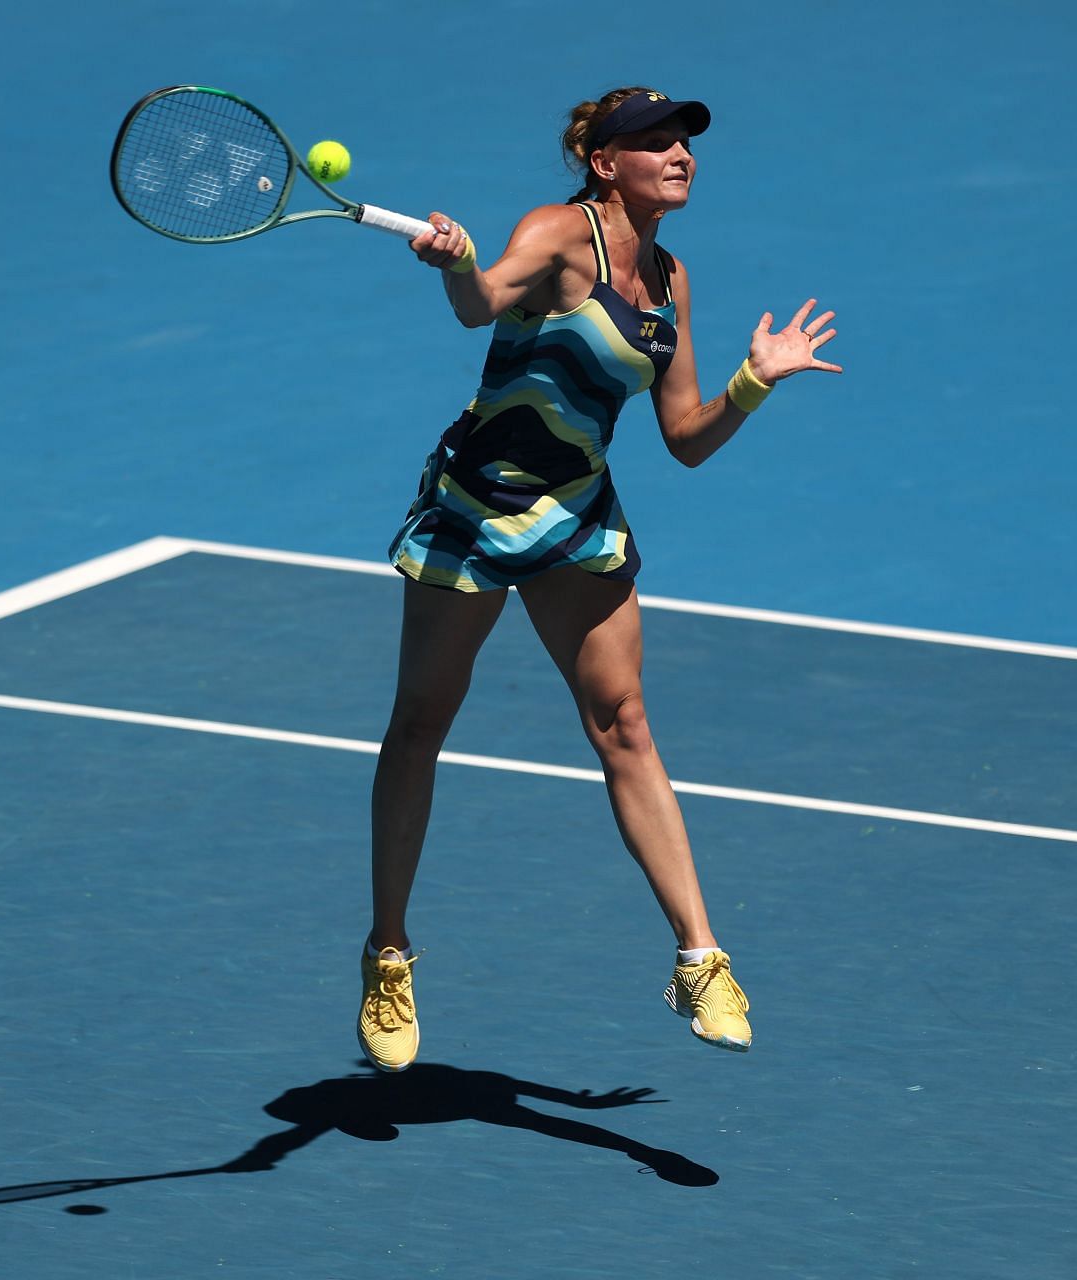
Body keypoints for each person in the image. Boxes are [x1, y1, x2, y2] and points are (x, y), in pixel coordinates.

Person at [358, 87, 842, 1073]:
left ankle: (701, 958)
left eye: (686, 143)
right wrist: (456, 266)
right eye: (655, 142)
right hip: (477, 508)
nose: (679, 155)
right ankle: (389, 952)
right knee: (420, 722)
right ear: (603, 163)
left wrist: (755, 381)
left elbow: (685, 440)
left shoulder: (670, 278)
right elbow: (481, 306)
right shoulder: (556, 234)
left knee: (624, 721)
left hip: (576, 515)